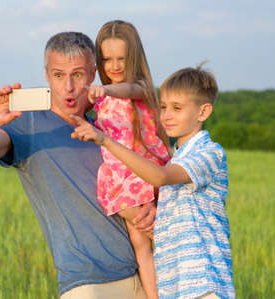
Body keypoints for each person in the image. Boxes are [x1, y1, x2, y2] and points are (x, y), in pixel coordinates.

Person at [0, 31, 157, 299]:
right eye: (59, 75)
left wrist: (153, 208)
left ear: (93, 73)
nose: (68, 87)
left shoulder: (109, 122)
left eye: (77, 75)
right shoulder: (26, 124)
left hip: (145, 278)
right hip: (87, 285)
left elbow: (152, 172)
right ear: (47, 75)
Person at [71, 63, 236, 299]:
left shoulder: (210, 153)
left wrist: (105, 140)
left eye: (177, 108)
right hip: (175, 286)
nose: (167, 116)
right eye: (164, 107)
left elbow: (160, 177)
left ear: (203, 112)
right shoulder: (174, 157)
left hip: (204, 284)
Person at [87, 20, 171, 299]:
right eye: (107, 59)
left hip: (144, 171)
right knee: (139, 241)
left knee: (158, 233)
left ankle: (187, 262)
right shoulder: (99, 96)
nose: (114, 66)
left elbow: (126, 90)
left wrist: (107, 90)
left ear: (134, 57)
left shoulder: (141, 88)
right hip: (119, 174)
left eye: (122, 58)